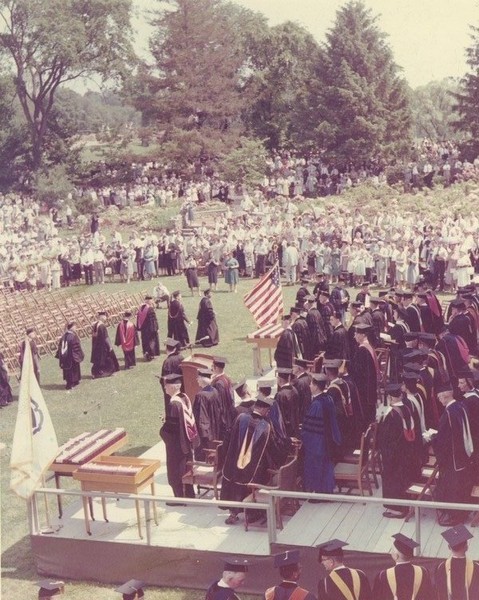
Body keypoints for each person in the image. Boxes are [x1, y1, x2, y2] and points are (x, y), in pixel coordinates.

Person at [221, 382, 291, 525]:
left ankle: (233, 512)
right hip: (254, 469)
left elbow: (227, 439)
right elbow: (274, 448)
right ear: (265, 410)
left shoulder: (240, 418)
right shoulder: (265, 427)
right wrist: (288, 443)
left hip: (234, 463)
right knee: (259, 474)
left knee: (234, 479)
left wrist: (227, 456)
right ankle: (252, 513)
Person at [431, 384, 475, 526]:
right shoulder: (460, 406)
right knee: (461, 486)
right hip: (464, 454)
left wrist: (433, 439)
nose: (439, 400)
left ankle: (456, 517)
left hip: (453, 458)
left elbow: (444, 440)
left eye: (439, 397)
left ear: (445, 396)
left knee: (454, 487)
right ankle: (462, 512)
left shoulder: (448, 414)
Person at [377, 383, 417, 519]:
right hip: (406, 451)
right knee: (403, 478)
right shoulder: (407, 408)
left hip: (393, 454)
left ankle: (397, 509)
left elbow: (386, 437)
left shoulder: (392, 414)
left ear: (389, 397)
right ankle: (405, 505)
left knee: (393, 479)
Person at [159, 373, 199, 501]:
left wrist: (162, 429)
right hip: (186, 442)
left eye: (166, 386)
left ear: (173, 387)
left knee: (176, 472)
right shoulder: (184, 397)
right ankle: (189, 494)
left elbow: (171, 430)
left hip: (177, 446)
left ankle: (179, 498)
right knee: (187, 469)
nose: (165, 388)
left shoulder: (174, 404)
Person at [302, 373, 341, 497]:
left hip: (317, 442)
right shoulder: (328, 398)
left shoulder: (317, 405)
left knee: (319, 466)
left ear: (316, 386)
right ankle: (326, 490)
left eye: (311, 383)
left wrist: (302, 434)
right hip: (328, 439)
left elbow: (311, 428)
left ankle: (319, 493)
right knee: (326, 466)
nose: (309, 385)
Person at [372, 533, 433, 599]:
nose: (390, 552)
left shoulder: (383, 576)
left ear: (396, 556)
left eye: (392, 550)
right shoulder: (422, 572)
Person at [435, 524, 479, 600]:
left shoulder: (441, 567)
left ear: (449, 547)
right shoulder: (476, 568)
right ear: (467, 547)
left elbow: (439, 592)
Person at [349, 322, 379, 424]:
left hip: (363, 390)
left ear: (363, 335)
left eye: (356, 334)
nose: (354, 336)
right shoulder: (369, 347)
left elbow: (358, 372)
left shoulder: (362, 350)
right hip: (370, 388)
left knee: (364, 415)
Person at [56, 322, 84, 390]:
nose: (76, 328)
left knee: (67, 370)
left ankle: (72, 383)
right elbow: (76, 347)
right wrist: (79, 355)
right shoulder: (73, 336)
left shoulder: (63, 336)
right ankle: (72, 383)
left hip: (65, 358)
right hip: (72, 357)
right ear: (71, 327)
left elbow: (60, 348)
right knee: (73, 370)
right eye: (75, 326)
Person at [90, 311, 120, 378]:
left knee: (97, 361)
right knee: (109, 359)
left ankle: (94, 373)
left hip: (96, 346)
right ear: (101, 317)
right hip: (102, 346)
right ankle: (109, 372)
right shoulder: (102, 326)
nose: (106, 318)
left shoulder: (95, 325)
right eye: (105, 316)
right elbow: (105, 337)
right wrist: (109, 346)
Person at [159, 338, 185, 415]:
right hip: (181, 387)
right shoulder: (181, 358)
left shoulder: (167, 362)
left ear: (167, 349)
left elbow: (164, 379)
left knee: (171, 409)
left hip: (171, 389)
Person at [136, 295, 160, 361]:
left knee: (145, 341)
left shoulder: (141, 308)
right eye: (151, 300)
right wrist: (156, 328)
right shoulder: (150, 309)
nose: (152, 301)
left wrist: (139, 328)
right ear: (148, 300)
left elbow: (138, 319)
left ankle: (146, 353)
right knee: (151, 341)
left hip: (144, 329)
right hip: (150, 329)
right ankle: (151, 355)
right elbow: (153, 320)